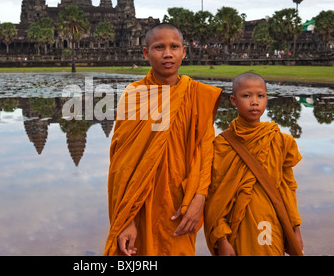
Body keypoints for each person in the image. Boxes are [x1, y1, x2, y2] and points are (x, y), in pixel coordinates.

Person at [104, 23, 222, 256]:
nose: (167, 53)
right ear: (146, 53)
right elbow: (121, 163)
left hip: (180, 203)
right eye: (159, 47)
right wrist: (125, 218)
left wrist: (199, 198)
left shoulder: (197, 94)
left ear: (184, 51)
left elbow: (206, 151)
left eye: (174, 47)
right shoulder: (134, 96)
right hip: (140, 204)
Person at [204, 72, 304, 256]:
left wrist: (295, 229)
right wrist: (221, 238)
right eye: (246, 96)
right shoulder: (222, 145)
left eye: (260, 96)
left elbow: (288, 187)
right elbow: (216, 195)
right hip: (239, 226)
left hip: (272, 221)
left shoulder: (280, 141)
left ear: (267, 98)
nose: (254, 102)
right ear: (233, 100)